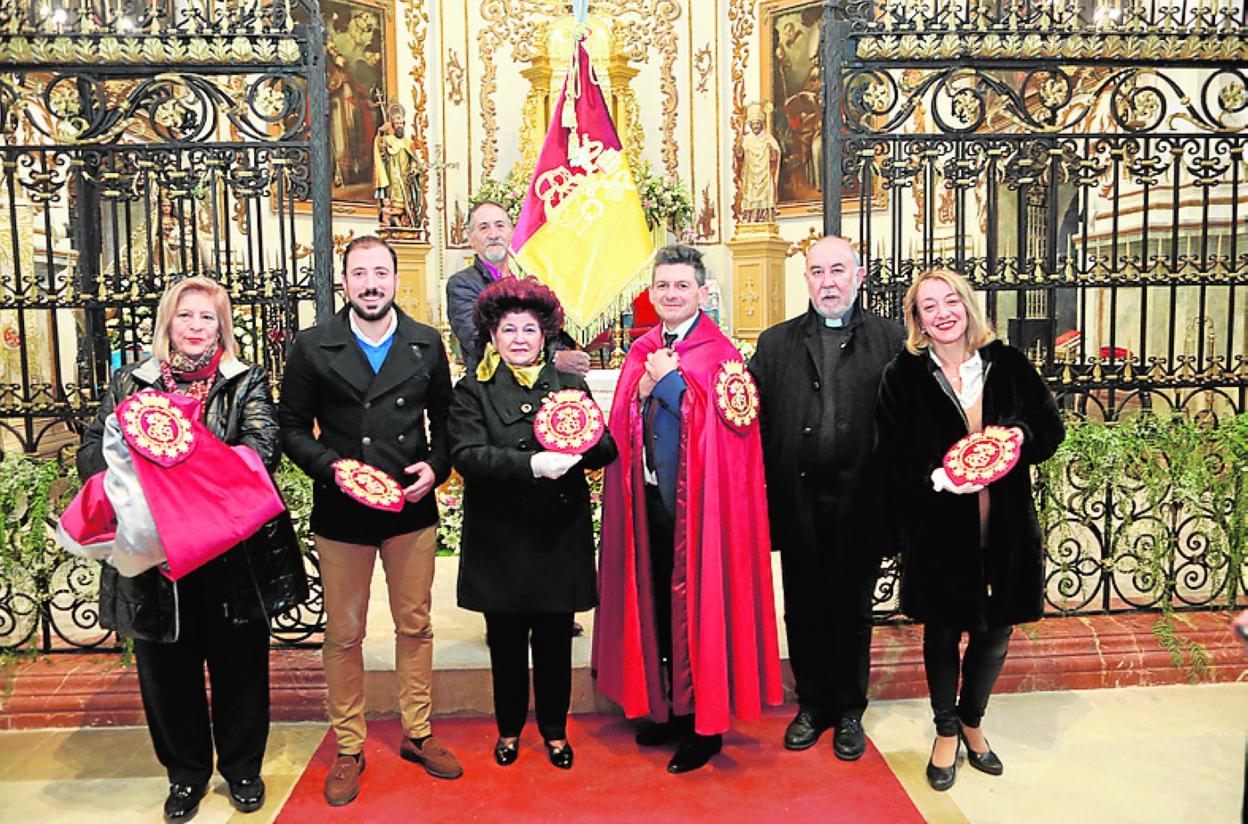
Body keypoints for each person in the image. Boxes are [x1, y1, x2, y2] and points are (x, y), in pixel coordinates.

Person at [75, 276, 307, 822]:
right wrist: (127, 479)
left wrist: (183, 475)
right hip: (155, 558)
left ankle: (243, 769)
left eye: (207, 317)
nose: (196, 327)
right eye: (186, 316)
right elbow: (93, 448)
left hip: (229, 553)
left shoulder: (245, 381)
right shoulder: (131, 383)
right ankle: (185, 775)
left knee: (239, 667)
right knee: (166, 669)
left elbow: (262, 448)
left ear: (221, 326)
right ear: (168, 324)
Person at [278, 235, 462, 806]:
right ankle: (350, 745)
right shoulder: (313, 346)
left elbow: (447, 424)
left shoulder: (426, 344)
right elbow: (289, 428)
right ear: (346, 282)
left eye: (380, 272)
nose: (371, 284)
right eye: (360, 274)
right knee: (344, 633)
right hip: (342, 510)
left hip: (410, 509)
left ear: (396, 279)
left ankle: (418, 732)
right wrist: (331, 469)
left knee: (415, 625)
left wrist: (435, 469)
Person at [595, 244, 783, 774]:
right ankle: (671, 710)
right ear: (651, 294)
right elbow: (624, 420)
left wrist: (672, 383)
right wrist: (646, 386)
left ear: (702, 292)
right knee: (657, 604)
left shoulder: (720, 353)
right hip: (649, 500)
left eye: (682, 286)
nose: (671, 295)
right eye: (662, 286)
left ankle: (706, 727)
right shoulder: (642, 350)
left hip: (702, 511)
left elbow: (736, 430)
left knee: (700, 607)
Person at [875, 267, 1064, 791]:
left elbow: (1050, 430)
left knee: (994, 631)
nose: (942, 313)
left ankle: (972, 722)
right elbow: (890, 453)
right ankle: (943, 730)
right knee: (942, 629)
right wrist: (931, 476)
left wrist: (1017, 436)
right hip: (938, 530)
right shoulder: (903, 375)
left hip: (1003, 527)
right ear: (916, 319)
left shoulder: (1007, 364)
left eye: (950, 301)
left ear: (967, 306)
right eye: (929, 306)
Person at [448, 277, 617, 770]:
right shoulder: (473, 389)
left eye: (529, 329)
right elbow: (467, 454)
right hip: (500, 537)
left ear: (545, 336)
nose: (520, 339)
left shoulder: (568, 385)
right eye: (509, 330)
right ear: (493, 337)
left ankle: (555, 731)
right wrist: (531, 465)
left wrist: (580, 439)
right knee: (504, 642)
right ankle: (508, 729)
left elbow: (605, 449)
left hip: (555, 535)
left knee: (552, 639)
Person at [749, 236, 904, 759]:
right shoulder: (775, 345)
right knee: (804, 607)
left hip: (863, 501)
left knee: (853, 610)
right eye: (818, 272)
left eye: (838, 270)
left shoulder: (893, 340)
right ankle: (812, 704)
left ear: (858, 277)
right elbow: (751, 421)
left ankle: (849, 710)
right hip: (798, 502)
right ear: (807, 280)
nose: (828, 282)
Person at [445, 200, 589, 377]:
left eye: (500, 226)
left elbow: (554, 331)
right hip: (490, 389)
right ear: (470, 237)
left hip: (542, 386)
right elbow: (477, 342)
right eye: (484, 228)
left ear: (511, 232)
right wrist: (553, 358)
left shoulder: (533, 279)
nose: (493, 234)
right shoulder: (462, 284)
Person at [373, 101, 423, 229]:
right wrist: (380, 134)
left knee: (407, 203)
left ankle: (403, 221)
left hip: (406, 179)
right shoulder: (388, 140)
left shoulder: (408, 143)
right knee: (394, 201)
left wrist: (414, 168)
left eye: (401, 123)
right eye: (397, 124)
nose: (400, 126)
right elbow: (380, 153)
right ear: (393, 126)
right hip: (393, 178)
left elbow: (414, 160)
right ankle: (393, 220)